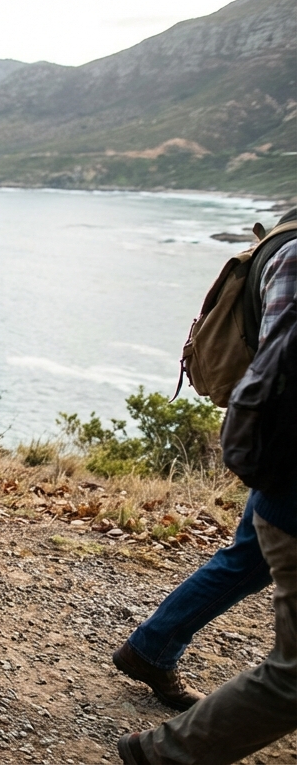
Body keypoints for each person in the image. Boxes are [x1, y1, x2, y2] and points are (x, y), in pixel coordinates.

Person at [118, 230, 297, 765]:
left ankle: (151, 647)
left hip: (282, 468)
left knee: (250, 554)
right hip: (287, 470)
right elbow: (277, 366)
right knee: (254, 553)